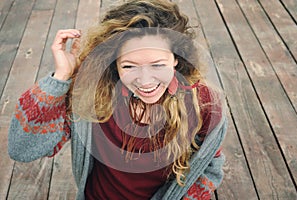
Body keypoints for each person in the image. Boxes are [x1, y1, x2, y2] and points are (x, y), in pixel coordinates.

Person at [8, 0, 227, 199]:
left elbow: (210, 165)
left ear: (176, 60)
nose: (145, 80)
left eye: (158, 65)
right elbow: (23, 148)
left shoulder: (203, 104)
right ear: (114, 64)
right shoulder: (94, 95)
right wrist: (61, 77)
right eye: (129, 66)